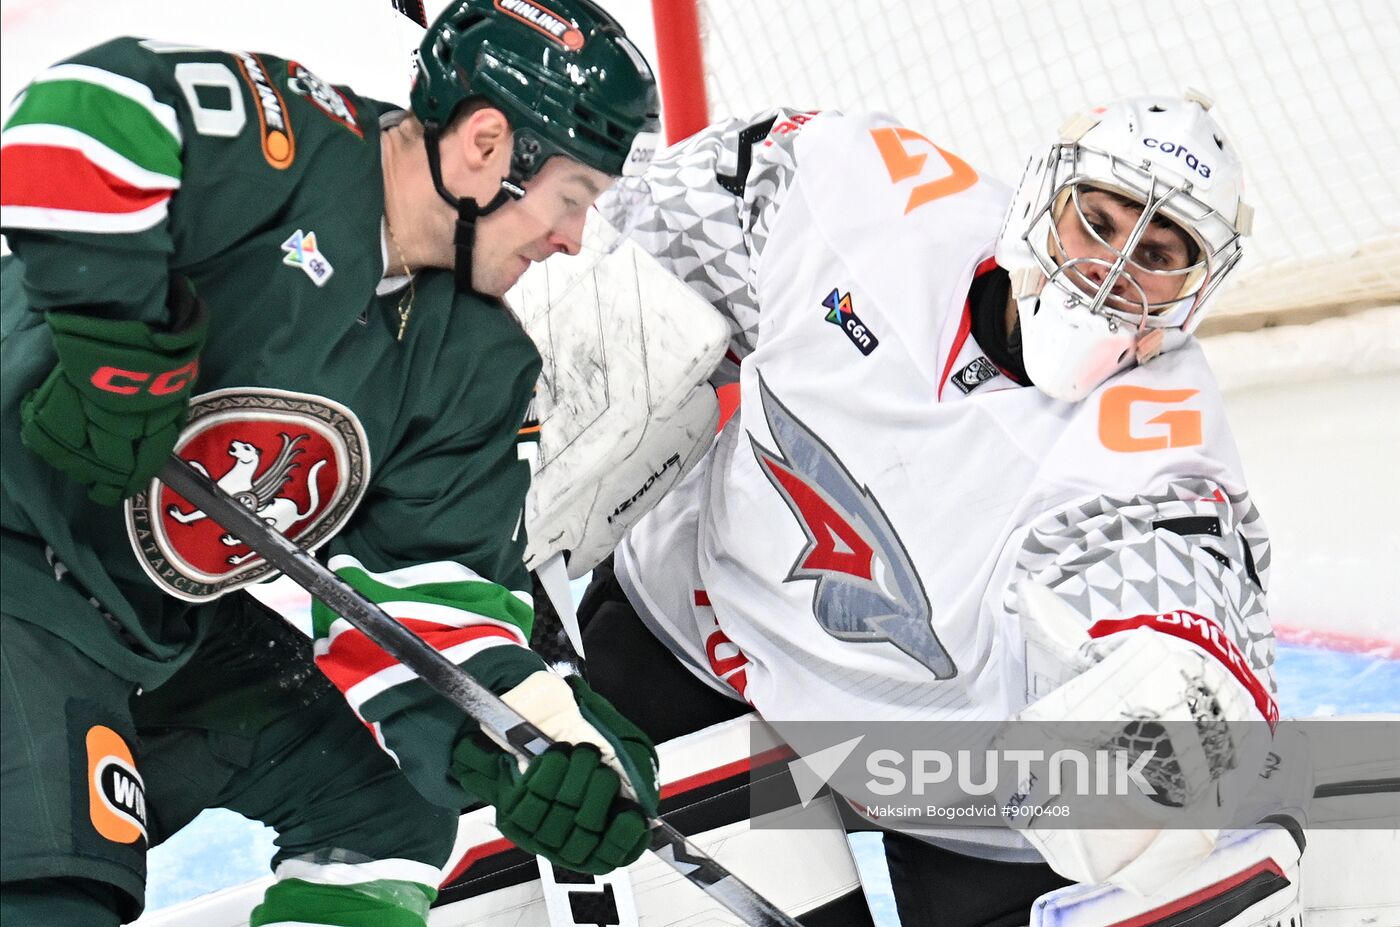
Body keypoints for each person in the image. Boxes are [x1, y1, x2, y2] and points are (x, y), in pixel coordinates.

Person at [0, 1, 663, 925]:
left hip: (152, 628)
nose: (572, 240)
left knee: (387, 811)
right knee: (56, 887)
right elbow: (79, 115)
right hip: (16, 561)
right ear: (485, 144)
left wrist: (536, 738)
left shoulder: (473, 362)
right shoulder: (290, 138)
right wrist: (116, 344)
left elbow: (436, 600)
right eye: (573, 197)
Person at [579, 94, 1285, 926]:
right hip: (699, 641)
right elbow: (619, 263)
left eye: (1160, 251)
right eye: (1098, 220)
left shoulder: (1167, 445)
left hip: (954, 793)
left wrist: (1187, 768)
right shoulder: (859, 193)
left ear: (1192, 293)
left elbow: (1186, 651)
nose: (1113, 264)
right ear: (1039, 201)